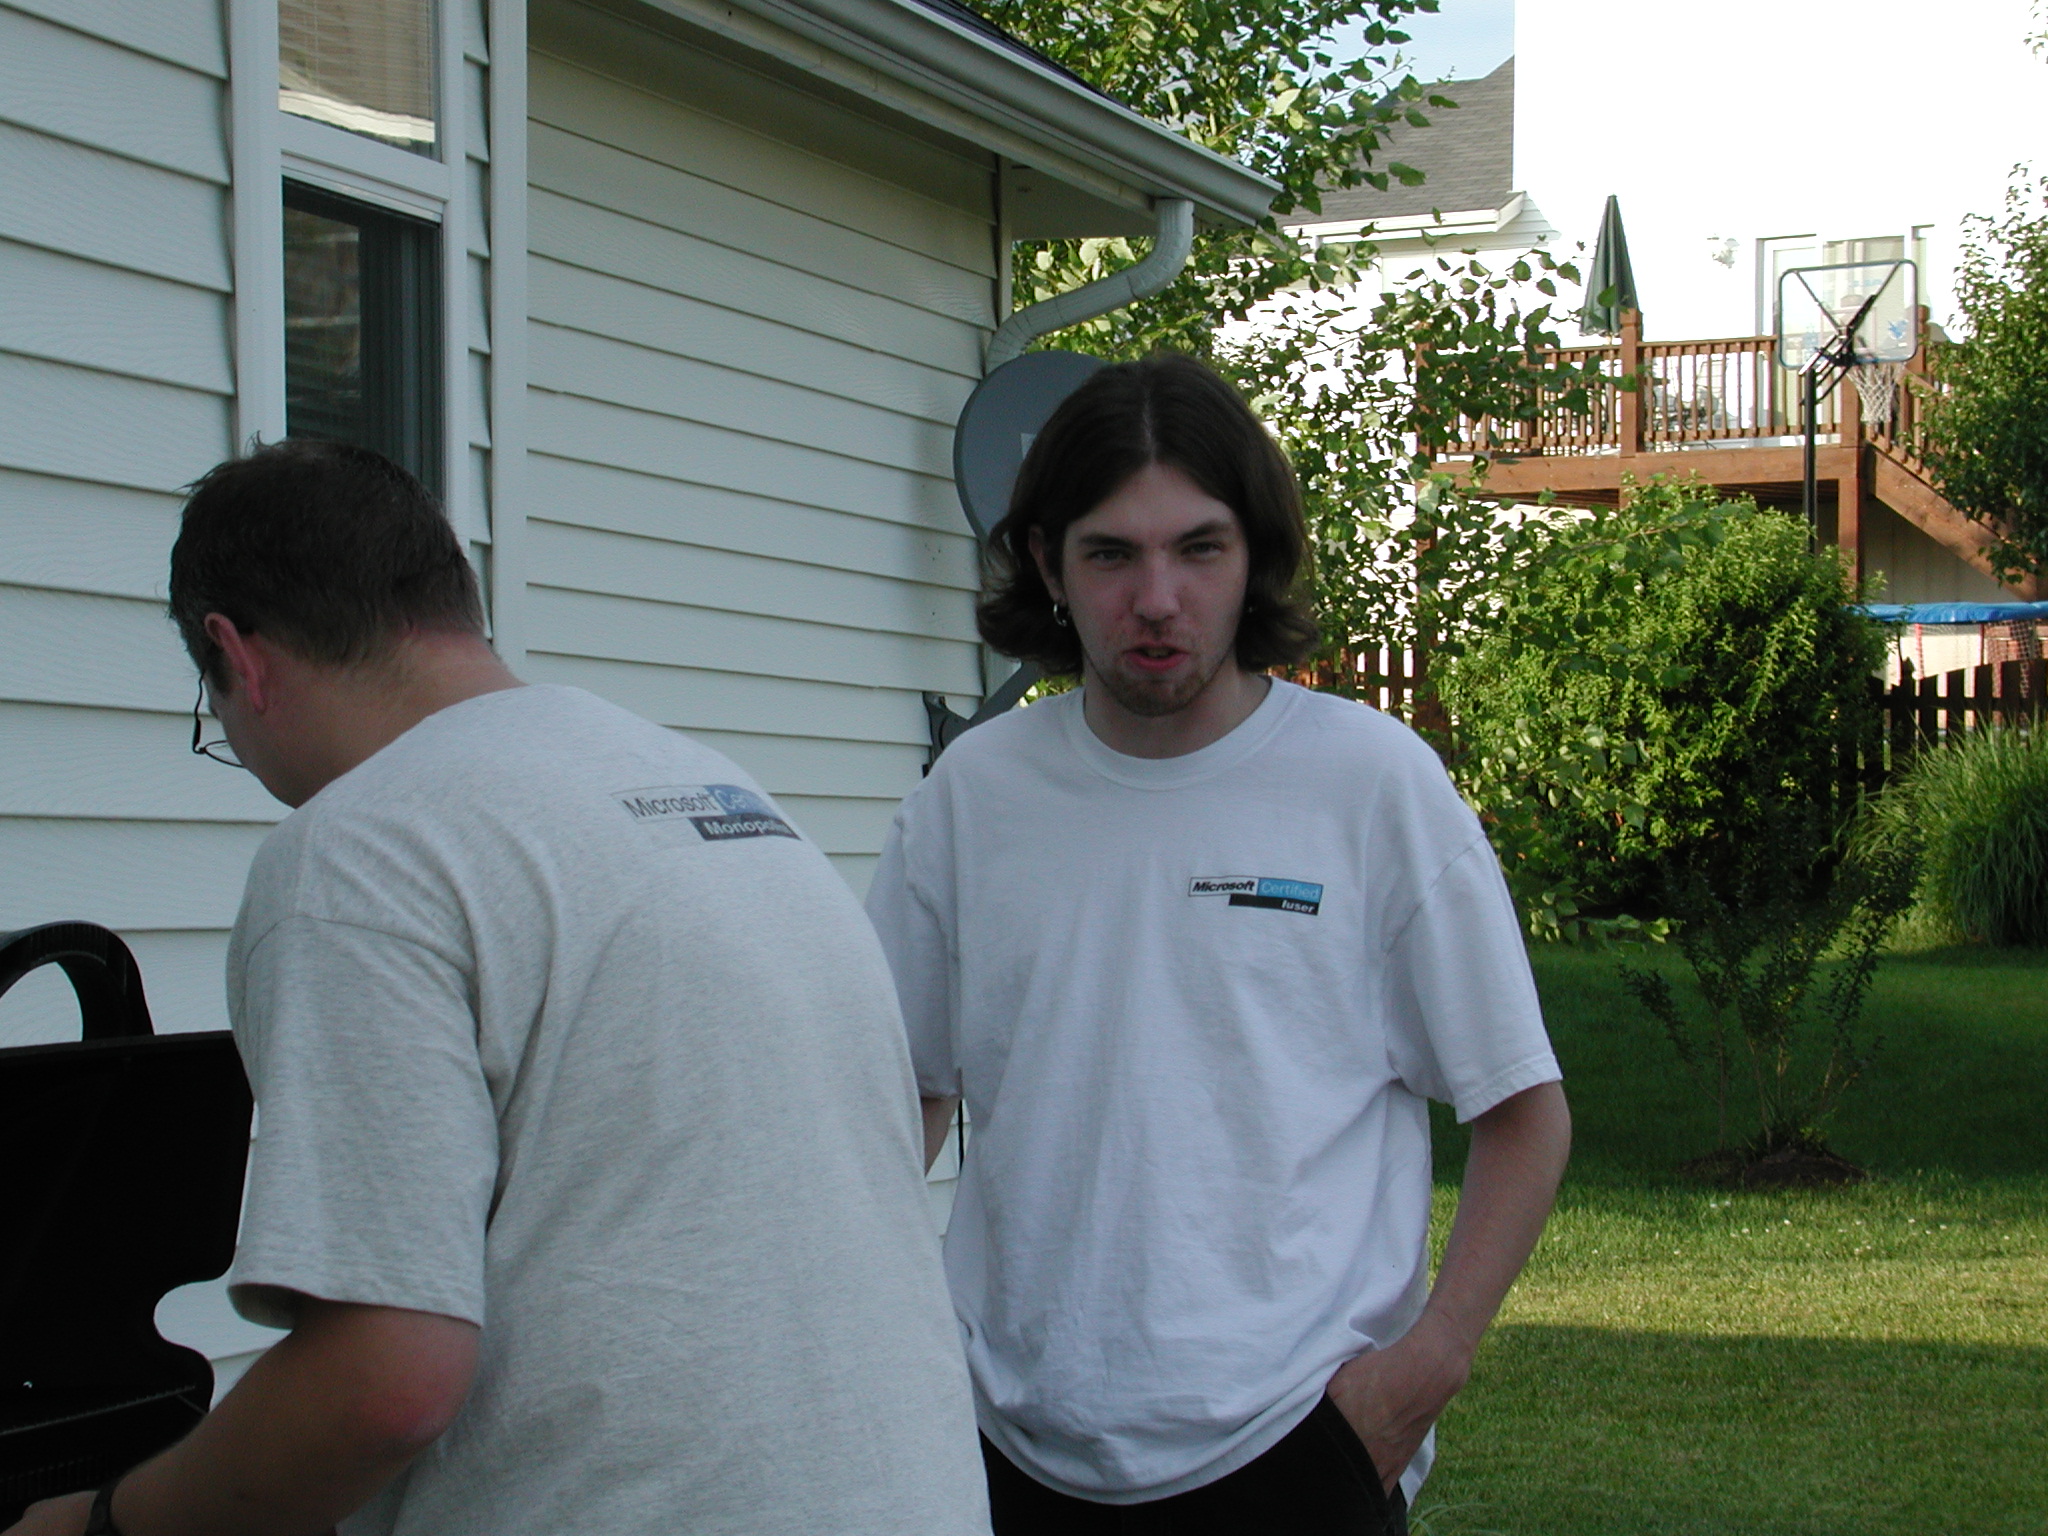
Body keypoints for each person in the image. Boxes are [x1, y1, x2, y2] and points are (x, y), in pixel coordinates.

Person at [6, 441, 989, 1536]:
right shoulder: (712, 790)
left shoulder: (361, 851)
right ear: (453, 604)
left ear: (240, 656)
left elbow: (384, 1382)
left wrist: (104, 1524)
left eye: (216, 712)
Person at [864, 354, 1572, 1534]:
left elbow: (1521, 1111)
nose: (1156, 598)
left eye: (1198, 548)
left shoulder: (1369, 786)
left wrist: (1422, 1370)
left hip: (1298, 1447)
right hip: (1003, 1447)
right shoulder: (971, 798)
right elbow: (898, 1099)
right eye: (1110, 554)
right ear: (1046, 562)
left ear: (1254, 557)